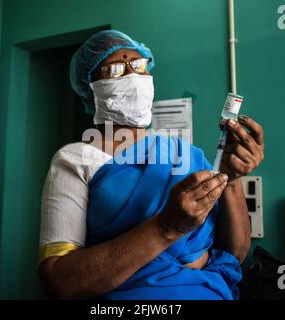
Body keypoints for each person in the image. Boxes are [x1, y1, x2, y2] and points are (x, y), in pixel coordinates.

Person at [38, 30, 264, 299]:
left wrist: (232, 178)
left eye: (139, 66)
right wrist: (164, 228)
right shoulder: (75, 159)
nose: (132, 76)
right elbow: (59, 280)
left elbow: (235, 253)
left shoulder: (186, 154)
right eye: (115, 69)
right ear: (89, 87)